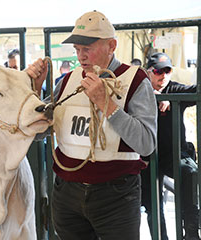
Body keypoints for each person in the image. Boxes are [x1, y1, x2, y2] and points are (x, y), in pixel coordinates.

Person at [26, 10, 157, 239]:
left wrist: (106, 105)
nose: (81, 56)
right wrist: (35, 91)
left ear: (112, 46)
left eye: (87, 49)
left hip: (116, 195)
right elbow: (37, 132)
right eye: (77, 49)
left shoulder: (135, 80)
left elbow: (146, 144)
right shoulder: (67, 80)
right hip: (67, 192)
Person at [141, 52, 200, 240]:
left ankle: (191, 230)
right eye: (158, 71)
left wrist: (171, 101)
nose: (163, 75)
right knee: (153, 207)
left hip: (174, 153)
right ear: (148, 72)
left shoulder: (175, 88)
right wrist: (153, 97)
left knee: (189, 174)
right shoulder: (140, 91)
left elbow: (196, 91)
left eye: (167, 70)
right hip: (147, 156)